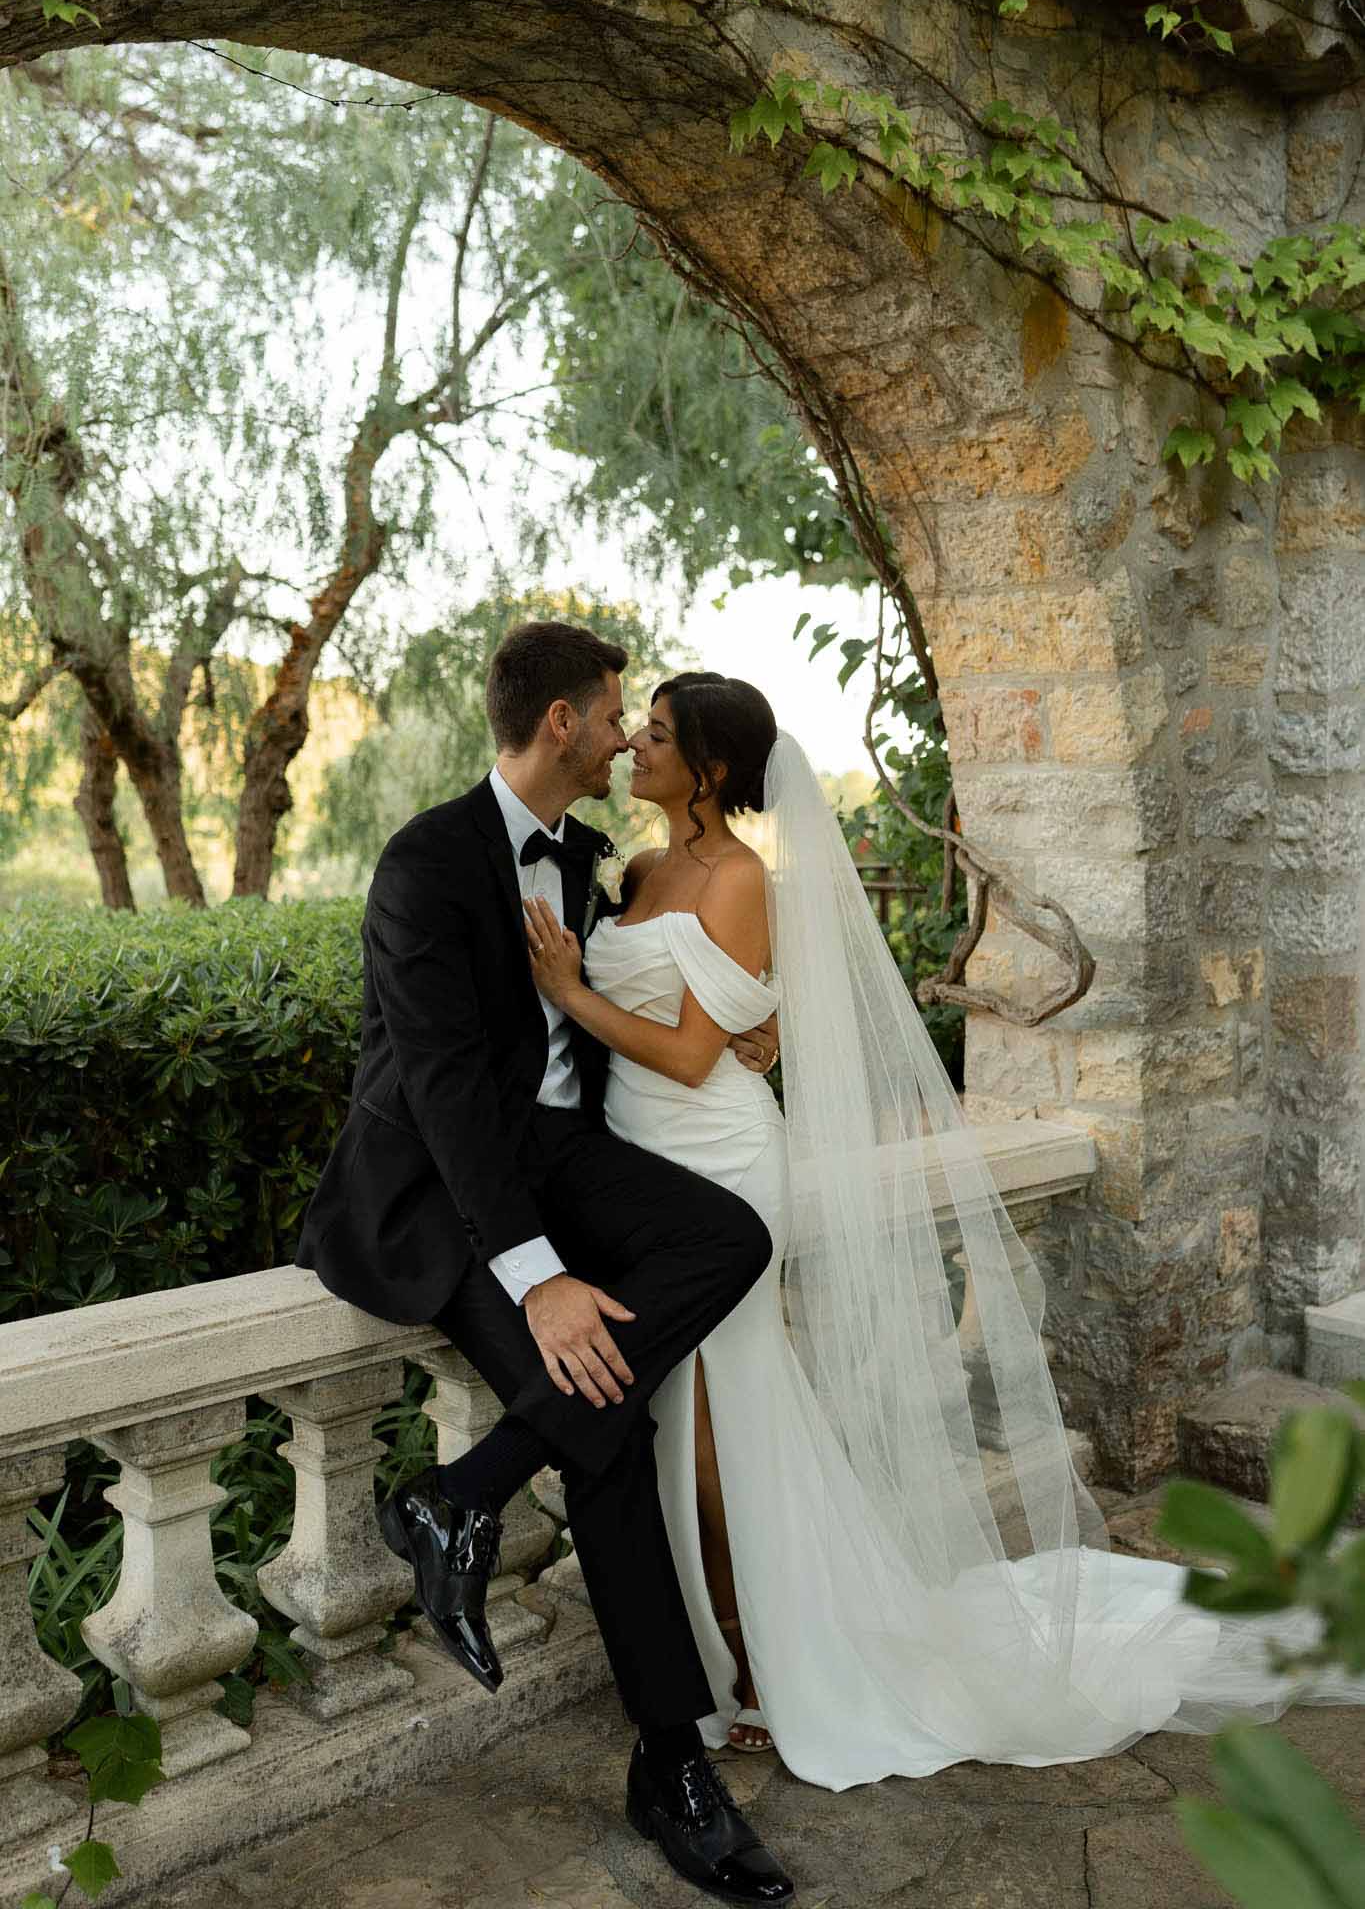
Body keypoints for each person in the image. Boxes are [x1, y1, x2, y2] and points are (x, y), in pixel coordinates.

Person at [522, 669, 1365, 1791]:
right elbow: (725, 1015)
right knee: (687, 1421)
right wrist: (728, 1023)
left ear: (711, 770)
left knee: (724, 1433)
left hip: (722, 1169)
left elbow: (684, 1050)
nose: (635, 749)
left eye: (659, 736)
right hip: (639, 1172)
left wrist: (574, 990)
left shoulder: (738, 877)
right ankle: (729, 1647)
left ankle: (774, 1662)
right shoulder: (632, 870)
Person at [297, 624, 796, 1905]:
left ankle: (461, 1490)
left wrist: (751, 1022)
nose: (632, 735)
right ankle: (674, 1764)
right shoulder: (422, 863)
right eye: (619, 715)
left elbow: (672, 994)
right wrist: (540, 1271)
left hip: (573, 1149)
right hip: (448, 1195)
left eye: (649, 724)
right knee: (610, 1429)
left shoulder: (590, 859)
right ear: (563, 723)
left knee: (731, 1234)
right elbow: (451, 1093)